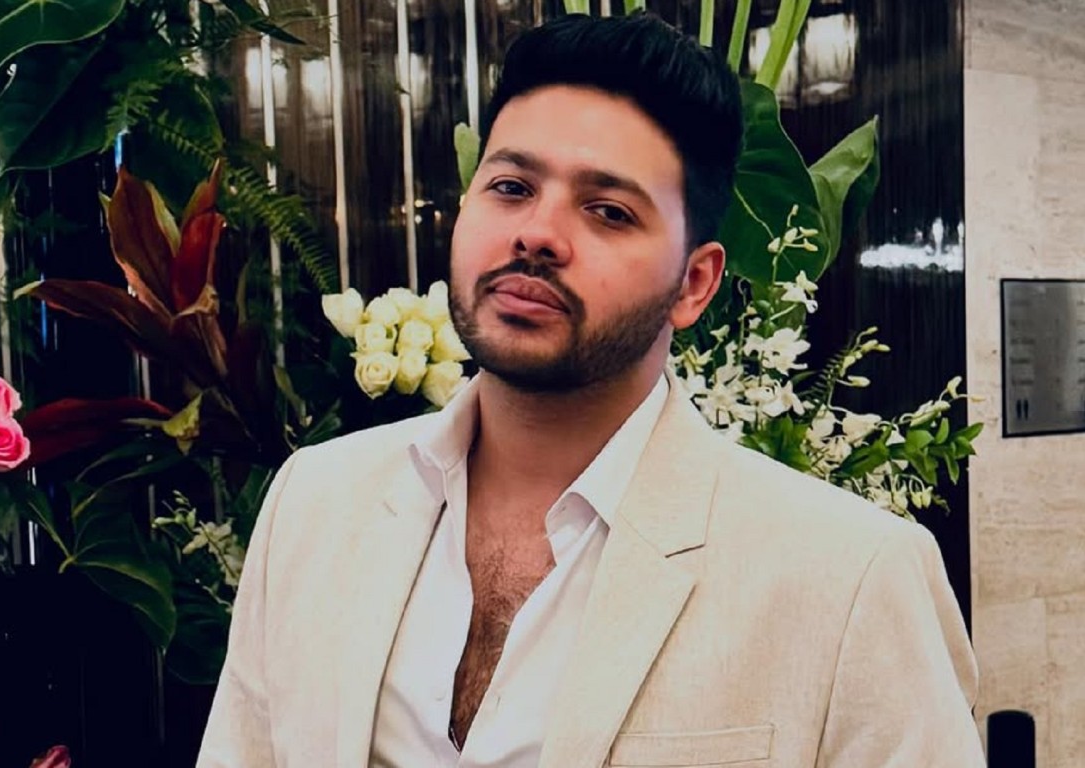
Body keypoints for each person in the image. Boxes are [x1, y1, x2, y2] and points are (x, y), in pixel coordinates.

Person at [198, 12, 984, 768]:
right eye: (511, 187)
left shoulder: (849, 575)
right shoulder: (316, 501)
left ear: (694, 283)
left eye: (607, 210)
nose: (537, 233)